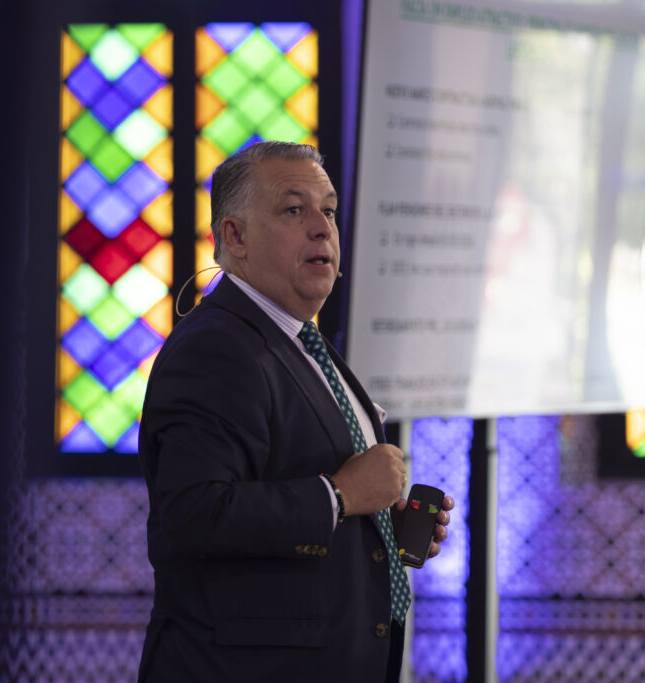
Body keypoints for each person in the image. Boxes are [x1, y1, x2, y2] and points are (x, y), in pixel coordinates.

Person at [137, 141, 455, 682]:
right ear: (235, 237)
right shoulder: (214, 348)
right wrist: (341, 496)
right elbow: (194, 516)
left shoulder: (298, 337)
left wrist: (377, 524)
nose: (321, 228)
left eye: (328, 210)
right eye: (293, 209)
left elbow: (298, 488)